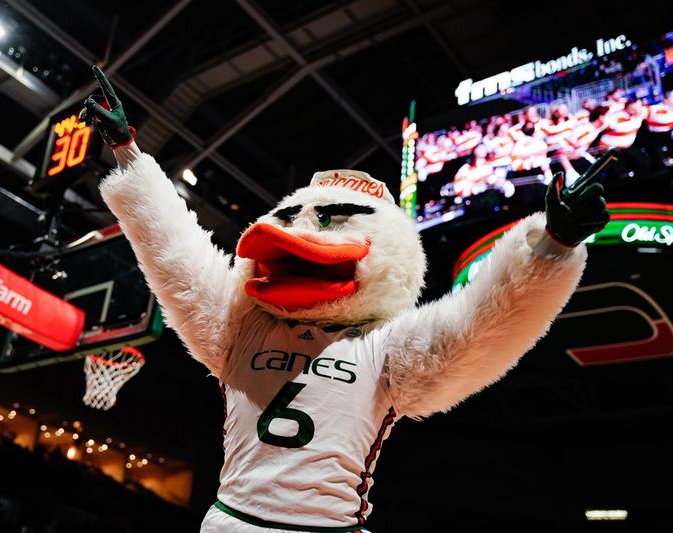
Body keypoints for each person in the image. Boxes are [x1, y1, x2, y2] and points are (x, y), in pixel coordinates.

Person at [82, 66, 610, 533]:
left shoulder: (390, 348)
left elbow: (482, 325)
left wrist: (550, 249)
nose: (305, 239)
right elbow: (176, 256)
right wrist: (129, 154)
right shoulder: (238, 326)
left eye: (335, 222)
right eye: (291, 221)